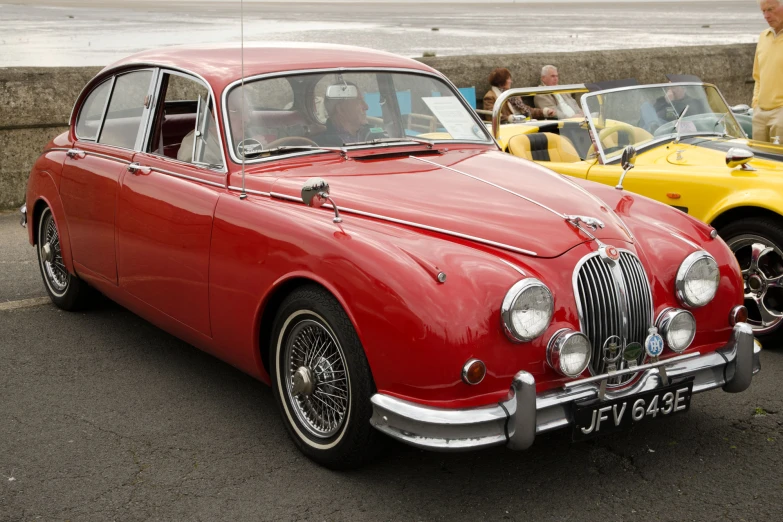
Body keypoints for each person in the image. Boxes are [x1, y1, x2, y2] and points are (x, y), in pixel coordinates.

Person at [752, 0, 783, 142]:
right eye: (763, 11)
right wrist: (755, 104)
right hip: (760, 114)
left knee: (778, 161)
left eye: (770, 9)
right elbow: (758, 76)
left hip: (781, 113)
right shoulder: (763, 37)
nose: (766, 15)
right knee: (758, 160)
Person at [316, 82, 383, 146]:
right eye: (359, 101)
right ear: (341, 109)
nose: (366, 107)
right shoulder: (322, 145)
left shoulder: (375, 132)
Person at [483, 68, 554, 123]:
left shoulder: (512, 95)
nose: (511, 81)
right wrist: (511, 119)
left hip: (524, 122)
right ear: (502, 81)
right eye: (508, 79)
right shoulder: (490, 96)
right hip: (510, 127)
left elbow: (527, 109)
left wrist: (545, 112)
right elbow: (492, 116)